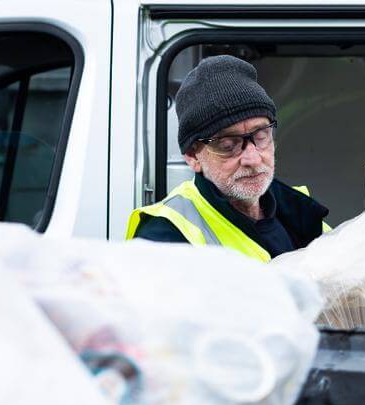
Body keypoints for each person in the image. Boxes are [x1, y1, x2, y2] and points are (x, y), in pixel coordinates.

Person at [125, 55, 329, 261]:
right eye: (228, 145)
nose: (253, 159)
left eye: (260, 136)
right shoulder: (164, 236)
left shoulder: (299, 209)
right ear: (193, 156)